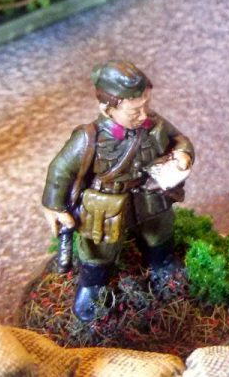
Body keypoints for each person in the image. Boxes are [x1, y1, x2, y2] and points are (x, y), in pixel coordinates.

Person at [41, 60, 194, 322]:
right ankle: (93, 286)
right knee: (99, 246)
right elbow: (60, 169)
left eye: (146, 105)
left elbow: (179, 139)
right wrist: (54, 206)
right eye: (134, 111)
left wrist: (183, 153)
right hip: (107, 203)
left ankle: (162, 264)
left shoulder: (154, 124)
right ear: (107, 108)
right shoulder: (88, 138)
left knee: (159, 228)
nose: (143, 115)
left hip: (148, 195)